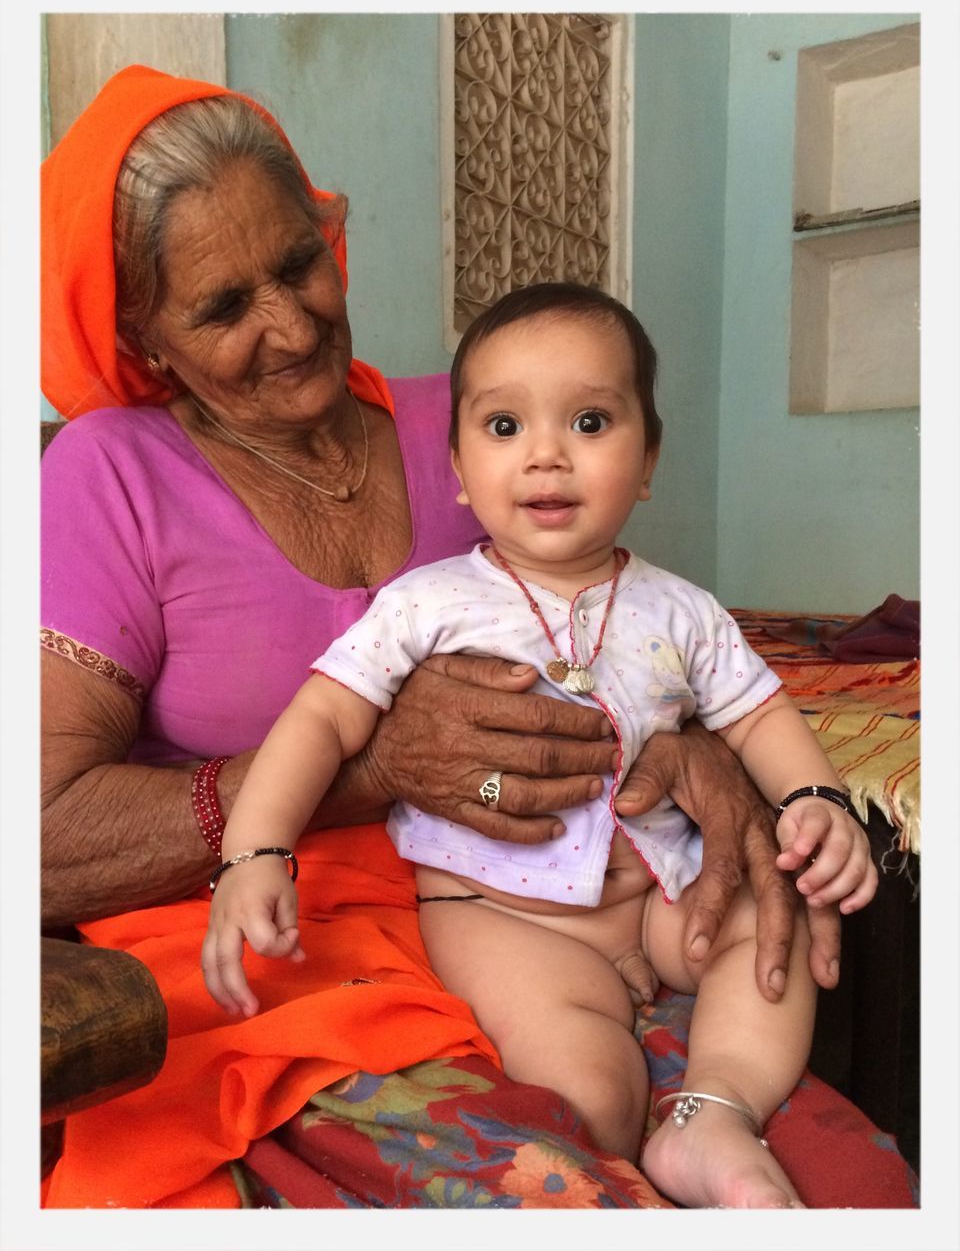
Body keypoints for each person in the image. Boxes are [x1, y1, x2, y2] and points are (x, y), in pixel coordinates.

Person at [41, 65, 842, 1210]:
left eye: (299, 263)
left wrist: (702, 748)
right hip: (301, 939)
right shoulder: (109, 473)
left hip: (597, 878)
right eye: (222, 307)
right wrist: (367, 774)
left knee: (835, 1158)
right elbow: (39, 834)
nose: (290, 321)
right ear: (147, 334)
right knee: (555, 1172)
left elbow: (639, 634)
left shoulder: (475, 421)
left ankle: (718, 1116)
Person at [201, 283, 878, 1209]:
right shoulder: (426, 606)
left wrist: (818, 802)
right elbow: (321, 721)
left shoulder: (682, 609)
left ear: (648, 461)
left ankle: (716, 1113)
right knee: (594, 1091)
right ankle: (613, 1158)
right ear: (456, 467)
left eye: (591, 420)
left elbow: (759, 717)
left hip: (658, 896)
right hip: (504, 920)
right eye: (506, 425)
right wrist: (256, 852)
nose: (548, 454)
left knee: (777, 921)